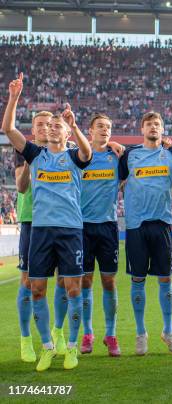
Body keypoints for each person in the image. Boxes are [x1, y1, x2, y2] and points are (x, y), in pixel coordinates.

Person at [2, 73, 92, 371]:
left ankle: (72, 347)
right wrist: (14, 97)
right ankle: (47, 346)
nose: (51, 129)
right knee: (37, 289)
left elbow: (88, 152)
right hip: (40, 231)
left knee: (73, 289)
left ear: (66, 133)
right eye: (48, 126)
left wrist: (76, 125)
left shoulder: (74, 157)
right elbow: (8, 129)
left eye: (58, 126)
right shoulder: (36, 155)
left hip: (70, 232)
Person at [119, 112, 172, 355]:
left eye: (157, 124)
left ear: (162, 130)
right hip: (136, 225)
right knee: (137, 279)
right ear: (142, 129)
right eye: (148, 124)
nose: (153, 127)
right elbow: (114, 179)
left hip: (162, 224)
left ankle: (168, 331)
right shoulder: (130, 155)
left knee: (165, 279)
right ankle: (141, 333)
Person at [79, 113, 121, 356]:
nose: (104, 130)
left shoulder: (116, 158)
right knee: (86, 280)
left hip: (107, 227)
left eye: (108, 127)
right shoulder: (78, 156)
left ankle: (111, 334)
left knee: (108, 280)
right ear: (90, 131)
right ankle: (87, 333)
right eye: (100, 127)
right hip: (82, 227)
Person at [14, 110, 53, 363]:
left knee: (62, 281)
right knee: (28, 282)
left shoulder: (63, 148)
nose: (44, 128)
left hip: (57, 220)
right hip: (31, 219)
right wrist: (30, 159)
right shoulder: (22, 150)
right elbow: (20, 186)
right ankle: (26, 339)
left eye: (48, 124)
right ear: (33, 129)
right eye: (39, 124)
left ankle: (57, 335)